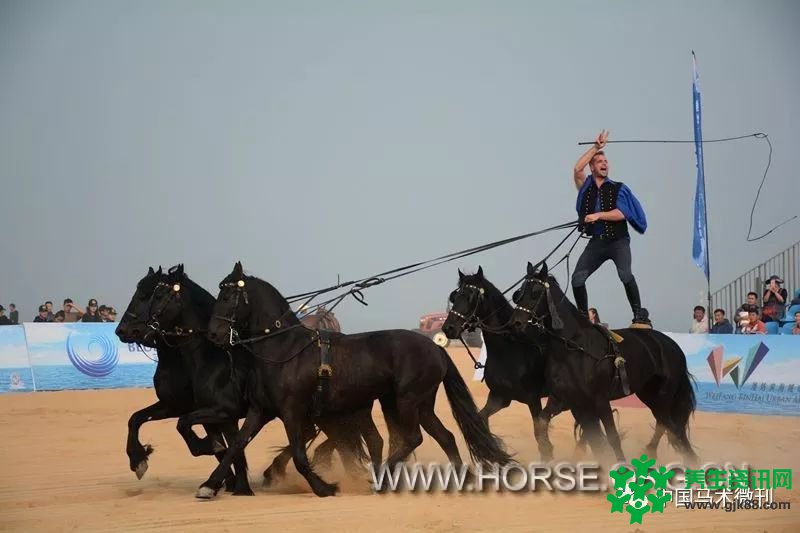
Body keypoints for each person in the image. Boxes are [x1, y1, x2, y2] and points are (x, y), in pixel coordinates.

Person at [571, 130, 650, 326]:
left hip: (618, 241)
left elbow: (622, 213)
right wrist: (596, 147)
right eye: (599, 162)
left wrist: (597, 215)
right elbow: (577, 169)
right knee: (577, 279)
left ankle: (638, 314)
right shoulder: (585, 186)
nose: (604, 164)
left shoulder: (618, 187)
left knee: (625, 274)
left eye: (606, 161)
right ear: (592, 166)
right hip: (597, 242)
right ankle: (583, 317)